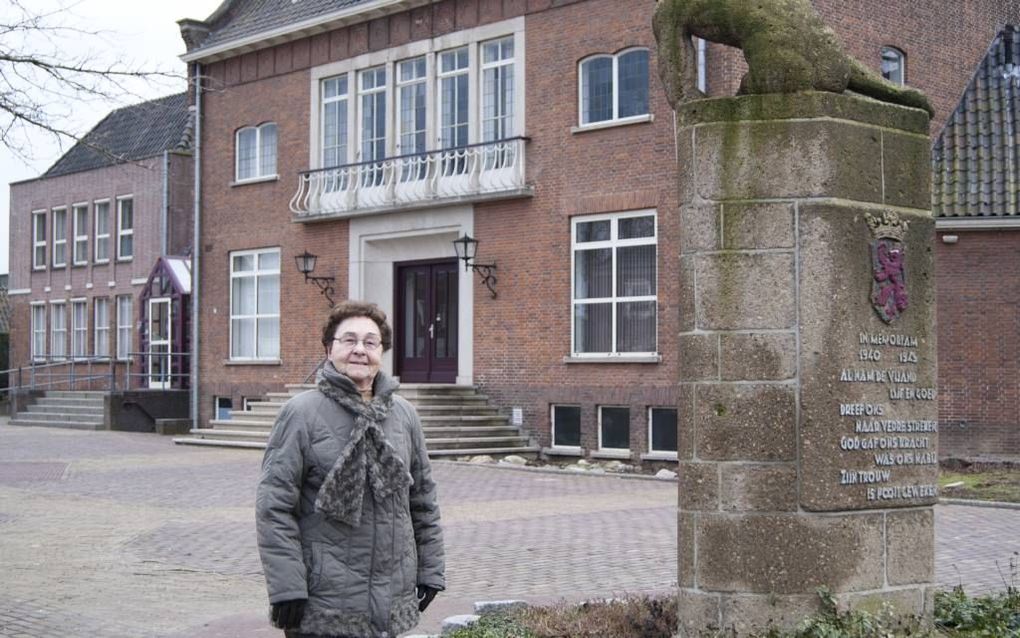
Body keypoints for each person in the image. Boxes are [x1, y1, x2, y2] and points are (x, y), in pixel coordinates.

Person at [256, 300, 445, 638]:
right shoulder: (300, 414)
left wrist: (430, 569)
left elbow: (422, 500)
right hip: (323, 598)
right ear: (330, 349)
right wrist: (287, 587)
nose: (360, 350)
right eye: (349, 340)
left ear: (381, 352)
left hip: (390, 595)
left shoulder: (403, 415)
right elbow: (274, 509)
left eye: (370, 342)